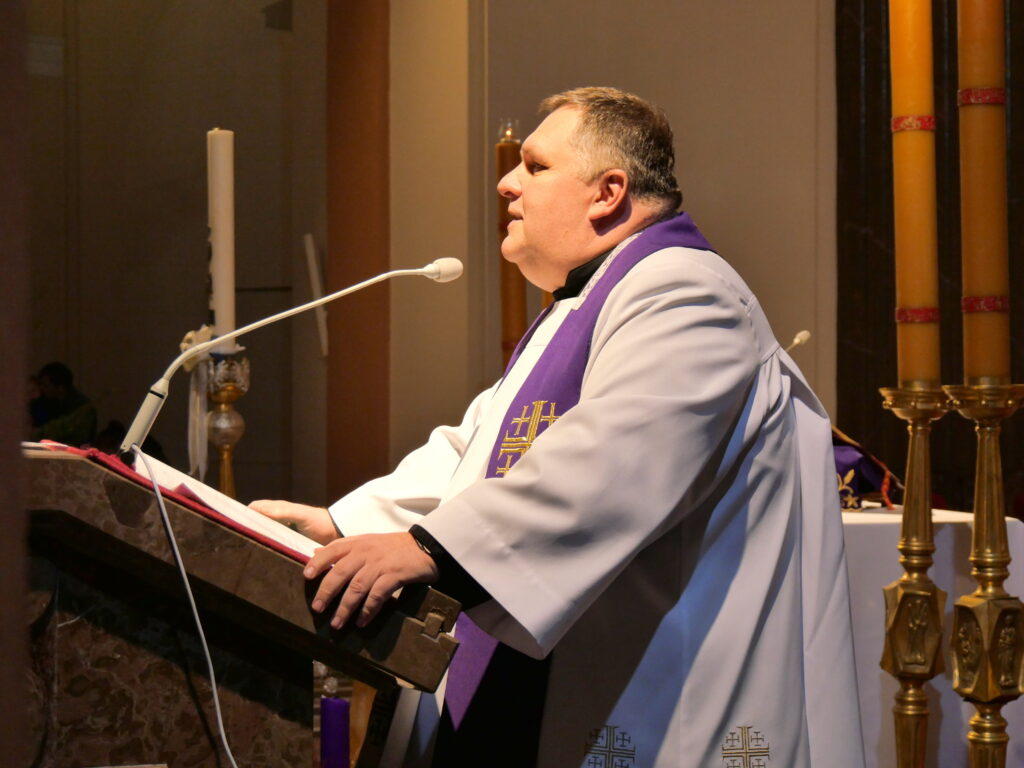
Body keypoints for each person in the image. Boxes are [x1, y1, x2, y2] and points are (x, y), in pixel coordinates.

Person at [252, 87, 865, 768]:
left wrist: (429, 547)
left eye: (536, 166)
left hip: (657, 696)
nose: (506, 183)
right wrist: (343, 524)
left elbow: (611, 461)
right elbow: (480, 449)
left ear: (608, 192)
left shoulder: (687, 293)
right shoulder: (584, 305)